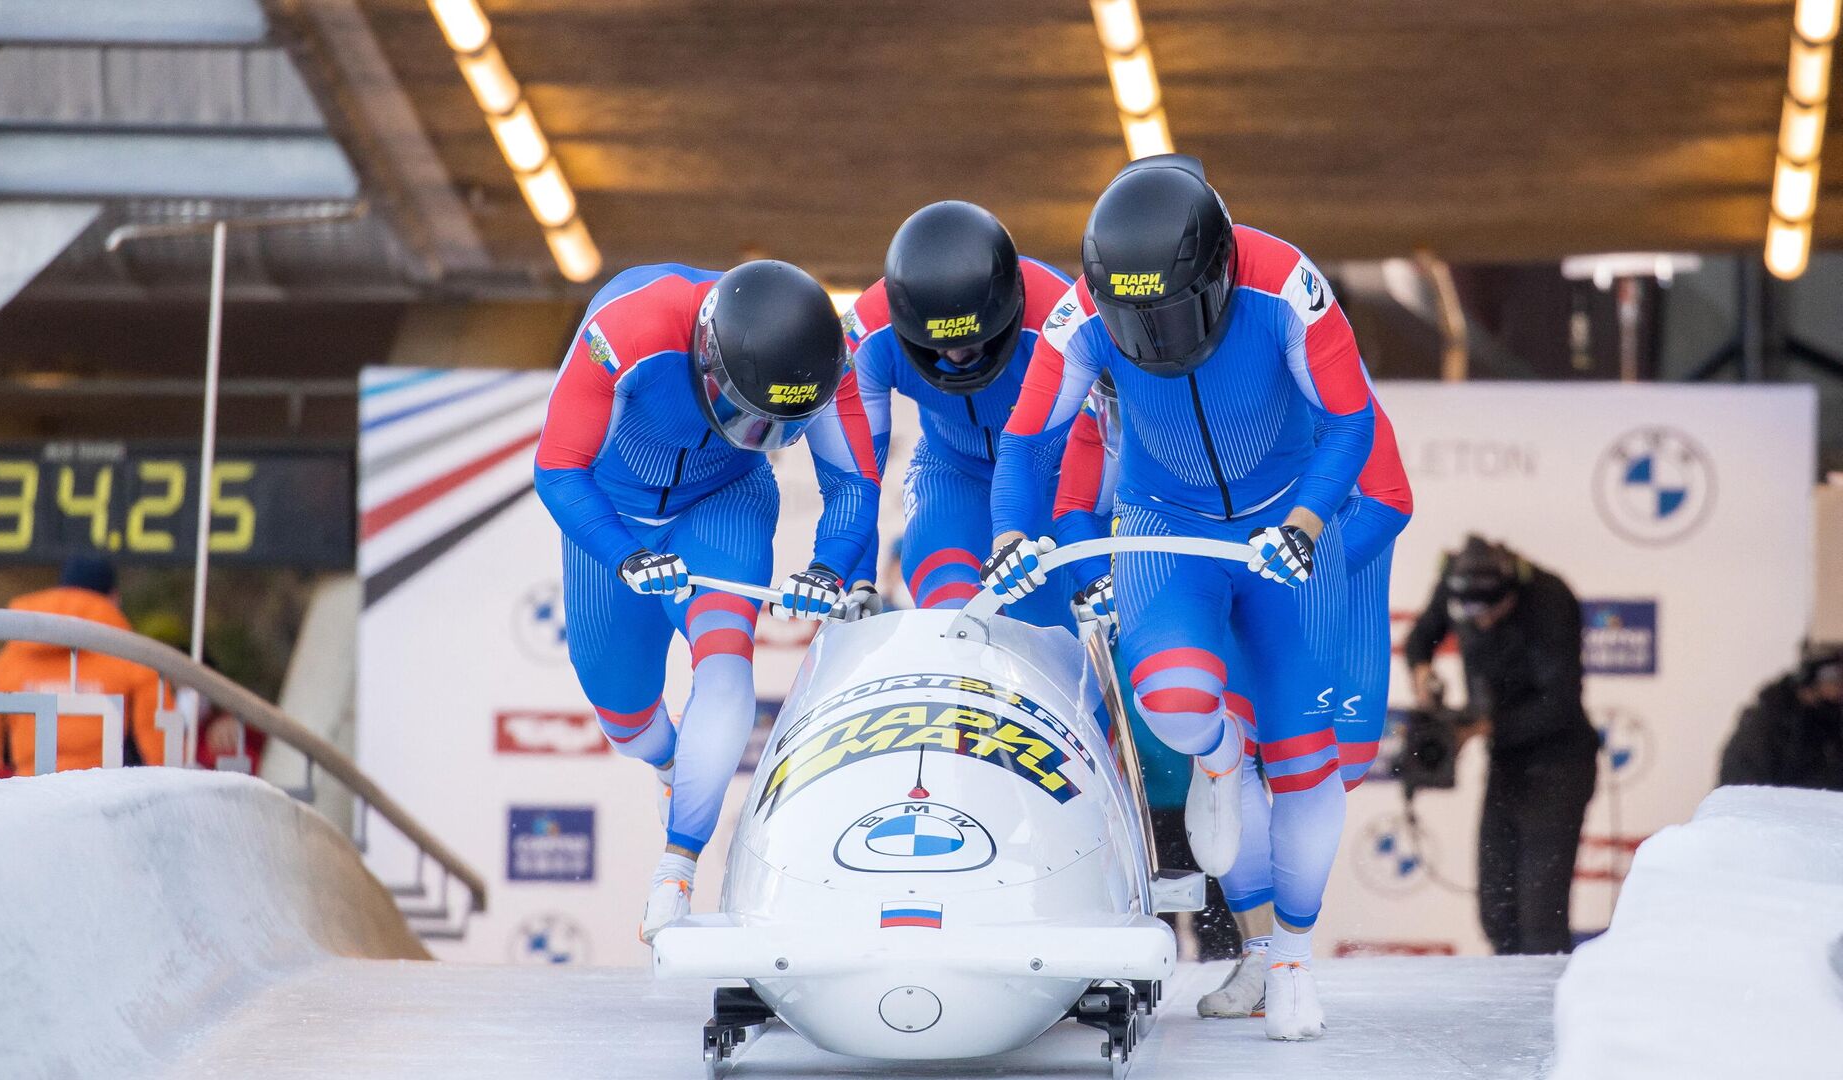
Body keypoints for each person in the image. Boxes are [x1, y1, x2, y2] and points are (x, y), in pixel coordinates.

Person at [986, 153, 1382, 1040]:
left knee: (1304, 749)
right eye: (1137, 323)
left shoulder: (1288, 287)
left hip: (1286, 530)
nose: (1157, 339)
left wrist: (1311, 524)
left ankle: (1291, 961)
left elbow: (1352, 421)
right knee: (1172, 701)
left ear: (1218, 274)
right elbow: (1027, 444)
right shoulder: (1078, 315)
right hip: (1166, 521)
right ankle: (1217, 756)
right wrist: (1013, 534)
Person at [533, 260, 881, 942]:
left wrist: (827, 566)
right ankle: (671, 766)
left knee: (726, 664)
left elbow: (855, 486)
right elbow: (558, 467)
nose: (757, 435)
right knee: (623, 714)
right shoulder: (628, 332)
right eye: (743, 416)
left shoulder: (833, 359)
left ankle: (677, 870)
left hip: (724, 504)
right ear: (706, 361)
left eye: (778, 428)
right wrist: (621, 554)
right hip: (614, 512)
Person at [1055, 364, 1413, 1020]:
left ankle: (1284, 951)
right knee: (1231, 746)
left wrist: (1306, 564)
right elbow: (1079, 507)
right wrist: (1107, 575)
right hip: (1228, 577)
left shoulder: (1300, 379)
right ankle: (1264, 956)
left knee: (1335, 762)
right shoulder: (1114, 402)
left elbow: (1388, 499)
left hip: (1329, 576)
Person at [845, 201, 1075, 625]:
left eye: (975, 341)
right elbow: (857, 474)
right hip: (950, 471)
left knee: (1049, 628)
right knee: (951, 617)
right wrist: (856, 577)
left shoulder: (1060, 317)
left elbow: (1109, 440)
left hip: (1054, 474)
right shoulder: (870, 334)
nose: (956, 355)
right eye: (939, 346)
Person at [1405, 536, 1599, 955]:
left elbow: (1560, 704)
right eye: (1470, 615)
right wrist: (1422, 675)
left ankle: (1547, 1017)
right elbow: (1420, 639)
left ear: (1513, 592)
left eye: (1493, 610)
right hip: (1505, 763)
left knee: (1540, 919)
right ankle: (1512, 1015)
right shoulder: (1454, 582)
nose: (1483, 622)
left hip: (1558, 764)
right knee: (1497, 911)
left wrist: (1479, 727)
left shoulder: (1550, 598)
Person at [0, 556, 168, 776]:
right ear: (114, 597)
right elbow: (158, 746)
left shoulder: (12, 655)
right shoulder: (134, 656)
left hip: (31, 790)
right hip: (104, 794)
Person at [1719, 643, 1843, 792]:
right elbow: (1740, 784)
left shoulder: (1834, 724)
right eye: (1831, 674)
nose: (1838, 685)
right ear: (1808, 678)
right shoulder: (1770, 723)